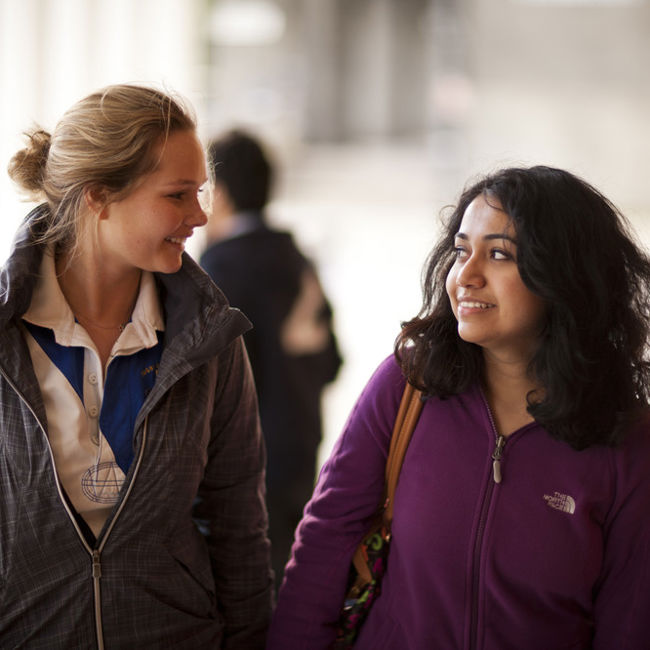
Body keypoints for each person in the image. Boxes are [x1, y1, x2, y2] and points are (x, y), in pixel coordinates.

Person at [266, 165, 650, 649]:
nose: (466, 276)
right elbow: (324, 545)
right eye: (461, 251)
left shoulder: (628, 441)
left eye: (499, 255)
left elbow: (630, 621)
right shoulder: (408, 386)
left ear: (566, 276)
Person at [2, 84, 272, 649]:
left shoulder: (212, 339)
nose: (201, 215)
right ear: (99, 195)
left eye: (201, 192)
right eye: (177, 195)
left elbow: (238, 527)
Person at [200, 129, 342, 588]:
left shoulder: (218, 269)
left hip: (245, 467)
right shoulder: (298, 259)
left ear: (219, 194)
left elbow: (209, 383)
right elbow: (332, 362)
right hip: (301, 453)